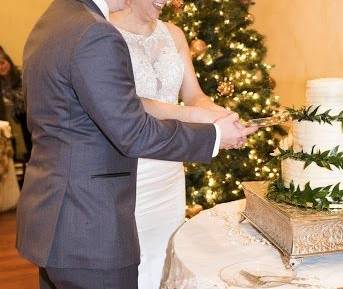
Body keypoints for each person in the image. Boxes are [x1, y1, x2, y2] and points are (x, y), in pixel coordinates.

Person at [15, 1, 257, 289]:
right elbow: (133, 131)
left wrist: (217, 118)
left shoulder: (53, 20)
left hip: (58, 221)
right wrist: (214, 136)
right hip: (93, 224)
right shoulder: (95, 32)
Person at [108, 1, 238, 287]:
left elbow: (194, 95)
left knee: (163, 260)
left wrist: (221, 116)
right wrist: (194, 115)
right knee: (131, 264)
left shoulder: (174, 34)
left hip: (169, 175)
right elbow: (126, 103)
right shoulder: (105, 30)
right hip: (131, 170)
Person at [0, 46, 31, 163]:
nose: (1, 67)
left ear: (8, 62)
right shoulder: (1, 82)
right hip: (12, 117)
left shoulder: (20, 74)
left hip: (26, 113)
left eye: (3, 63)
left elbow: (24, 96)